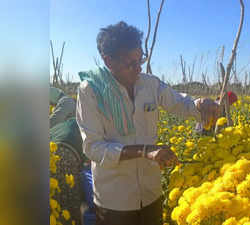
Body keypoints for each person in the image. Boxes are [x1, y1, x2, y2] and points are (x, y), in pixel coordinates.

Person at [76, 21, 220, 225]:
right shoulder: (90, 91)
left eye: (140, 59)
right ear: (109, 61)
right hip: (115, 201)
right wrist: (145, 151)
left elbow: (180, 103)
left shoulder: (149, 84)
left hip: (151, 193)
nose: (138, 68)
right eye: (130, 63)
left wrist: (200, 104)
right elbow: (93, 148)